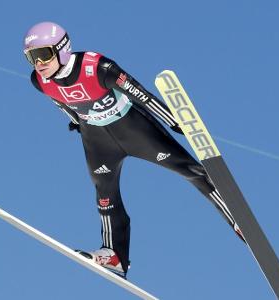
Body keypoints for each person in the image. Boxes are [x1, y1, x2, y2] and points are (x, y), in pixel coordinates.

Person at [23, 21, 245, 278]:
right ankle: (114, 255)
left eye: (43, 54)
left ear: (62, 49)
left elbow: (142, 95)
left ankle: (238, 220)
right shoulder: (39, 81)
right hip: (97, 139)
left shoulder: (98, 68)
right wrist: (75, 121)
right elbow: (60, 101)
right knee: (104, 196)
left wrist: (177, 122)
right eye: (31, 58)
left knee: (191, 170)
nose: (38, 63)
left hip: (133, 128)